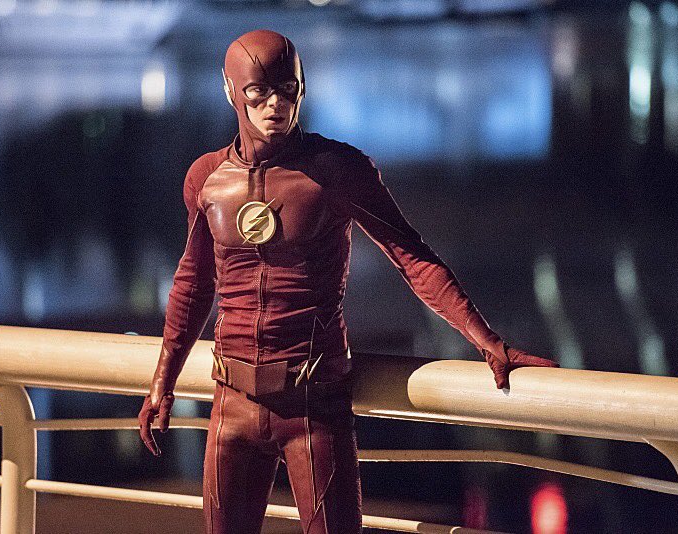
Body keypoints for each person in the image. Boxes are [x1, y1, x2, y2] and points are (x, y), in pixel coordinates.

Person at [138, 29, 559, 534]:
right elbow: (193, 282)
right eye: (259, 92)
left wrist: (486, 340)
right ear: (231, 91)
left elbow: (412, 258)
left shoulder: (337, 170)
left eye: (288, 90)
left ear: (302, 89)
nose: (276, 105)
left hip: (314, 404)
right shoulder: (206, 178)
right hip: (232, 403)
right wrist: (162, 381)